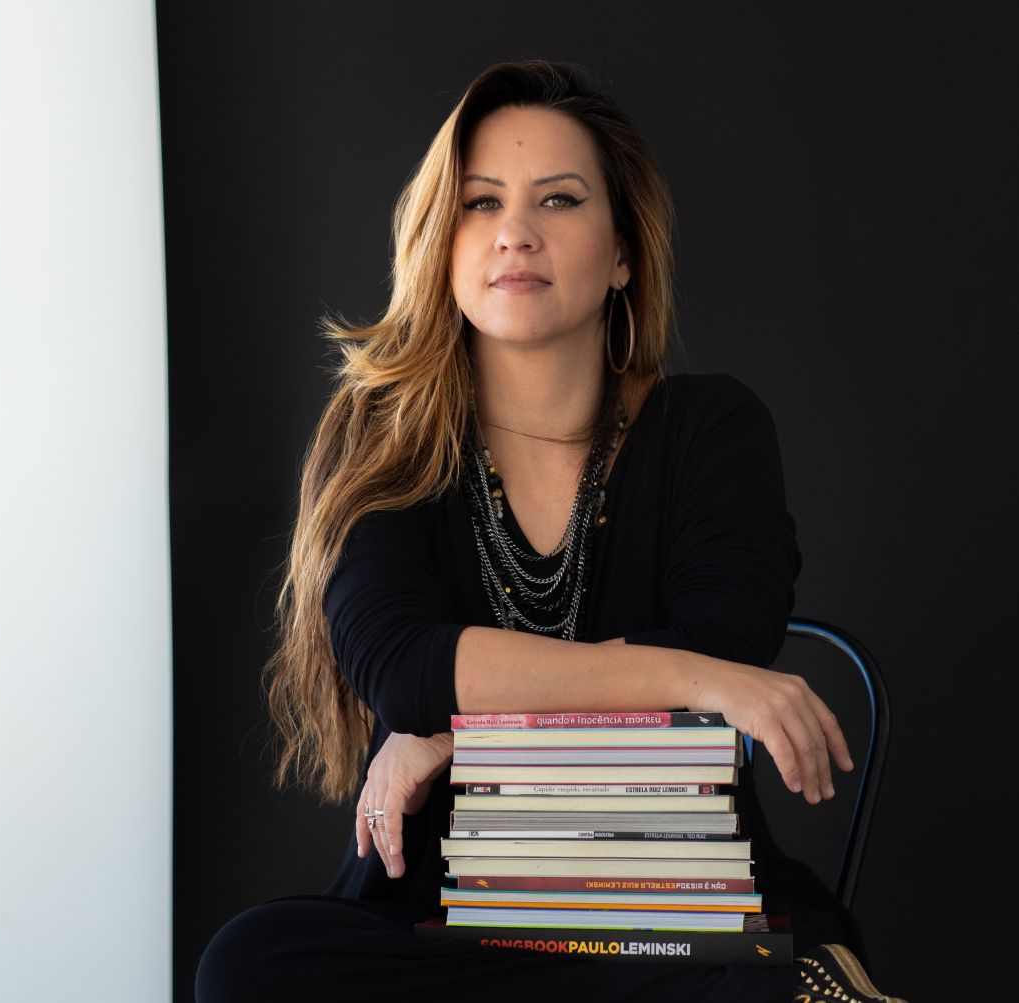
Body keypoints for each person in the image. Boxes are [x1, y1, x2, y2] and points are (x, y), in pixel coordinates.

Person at [196, 59, 904, 1003]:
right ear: (441, 243)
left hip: (669, 902)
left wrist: (454, 733)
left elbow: (725, 639)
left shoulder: (710, 428)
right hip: (437, 920)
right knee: (249, 963)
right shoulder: (383, 441)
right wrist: (694, 682)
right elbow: (404, 665)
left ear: (622, 254)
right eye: (481, 203)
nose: (515, 233)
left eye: (560, 200)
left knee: (751, 976)